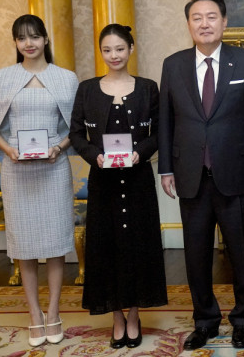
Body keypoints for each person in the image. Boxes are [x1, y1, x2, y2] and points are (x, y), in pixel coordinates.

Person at [158, 0, 244, 350]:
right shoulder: (173, 65)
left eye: (212, 17)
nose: (205, 23)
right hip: (190, 174)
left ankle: (243, 320)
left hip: (236, 172)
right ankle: (205, 320)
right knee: (196, 255)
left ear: (224, 22)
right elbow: (166, 121)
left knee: (242, 253)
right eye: (197, 18)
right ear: (189, 24)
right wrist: (165, 169)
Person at [69, 24, 167, 349]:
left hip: (138, 181)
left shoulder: (148, 88)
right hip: (103, 183)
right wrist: (94, 156)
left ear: (131, 49)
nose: (114, 56)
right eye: (107, 50)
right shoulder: (86, 89)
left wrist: (142, 152)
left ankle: (135, 315)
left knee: (138, 245)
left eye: (120, 49)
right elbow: (75, 134)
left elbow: (159, 132)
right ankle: (116, 317)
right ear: (101, 52)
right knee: (106, 246)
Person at [0, 14, 78, 347]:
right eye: (22, 38)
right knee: (23, 246)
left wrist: (59, 147)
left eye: (35, 37)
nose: (29, 43)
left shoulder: (66, 78)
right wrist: (9, 151)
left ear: (45, 40)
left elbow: (74, 129)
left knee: (55, 243)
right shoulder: (2, 77)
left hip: (53, 167)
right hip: (17, 169)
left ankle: (53, 312)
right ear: (15, 43)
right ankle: (34, 314)